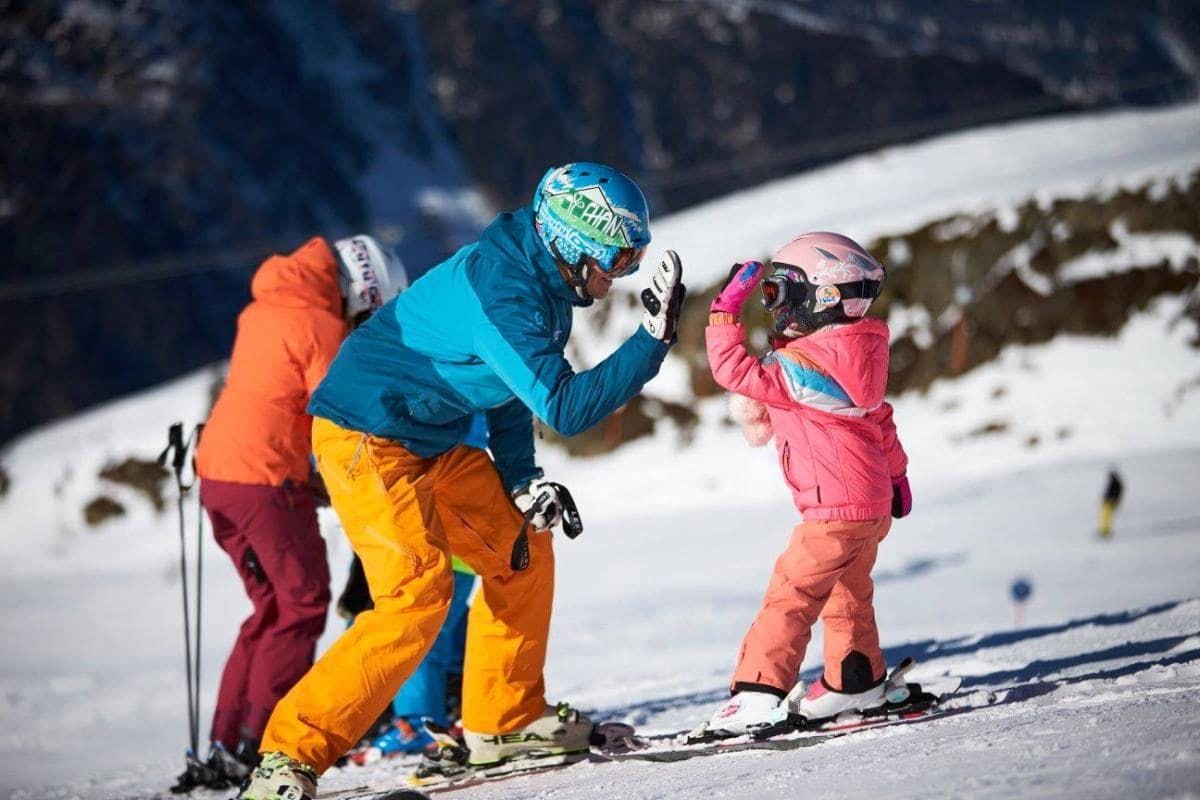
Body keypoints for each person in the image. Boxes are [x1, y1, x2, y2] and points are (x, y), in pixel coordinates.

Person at [236, 162, 685, 800]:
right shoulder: (504, 287)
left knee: (522, 552)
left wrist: (521, 479)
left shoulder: (541, 282)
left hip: (430, 441)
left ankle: (504, 722)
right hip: (365, 435)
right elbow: (563, 408)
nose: (621, 274)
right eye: (617, 257)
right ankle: (286, 759)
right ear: (574, 239)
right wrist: (651, 340)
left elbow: (505, 391)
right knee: (415, 598)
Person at [188, 235, 404, 787]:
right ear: (360, 292)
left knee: (269, 609)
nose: (361, 323)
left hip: (221, 471)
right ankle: (260, 744)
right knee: (302, 605)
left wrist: (306, 475)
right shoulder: (320, 326)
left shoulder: (270, 304)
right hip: (264, 479)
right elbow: (339, 410)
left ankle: (227, 741)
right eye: (366, 313)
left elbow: (275, 397)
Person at [696, 232, 911, 737]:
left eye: (778, 296)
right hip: (870, 506)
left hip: (833, 511)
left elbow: (734, 370)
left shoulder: (800, 367)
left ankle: (756, 693)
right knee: (847, 592)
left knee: (792, 592)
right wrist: (897, 477)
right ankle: (854, 679)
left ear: (821, 297)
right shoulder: (859, 355)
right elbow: (881, 422)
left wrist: (725, 313)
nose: (773, 309)